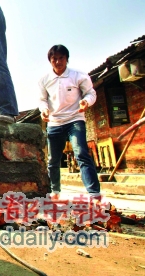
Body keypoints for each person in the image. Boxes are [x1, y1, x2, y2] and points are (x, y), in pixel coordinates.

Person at [38, 44, 101, 200]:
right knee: (53, 159)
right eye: (54, 59)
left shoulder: (78, 76)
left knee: (81, 153)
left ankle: (94, 194)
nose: (58, 62)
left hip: (75, 120)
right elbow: (42, 100)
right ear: (50, 61)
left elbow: (90, 93)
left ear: (66, 59)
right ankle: (55, 192)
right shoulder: (44, 80)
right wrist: (44, 110)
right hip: (54, 122)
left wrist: (86, 102)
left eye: (61, 58)